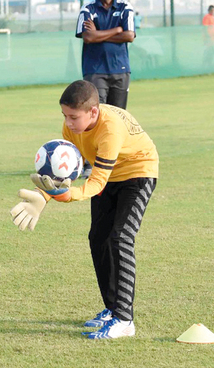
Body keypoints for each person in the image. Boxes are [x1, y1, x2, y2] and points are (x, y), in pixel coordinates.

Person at [10, 80, 158, 340]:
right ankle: (112, 309)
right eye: (65, 116)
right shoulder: (71, 128)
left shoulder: (110, 129)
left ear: (93, 111)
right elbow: (67, 171)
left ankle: (124, 320)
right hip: (110, 177)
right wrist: (44, 196)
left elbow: (96, 181)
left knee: (120, 238)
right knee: (98, 238)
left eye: (73, 117)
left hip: (138, 173)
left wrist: (67, 196)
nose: (68, 123)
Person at [75, 0, 136, 110]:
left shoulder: (124, 7)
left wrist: (97, 34)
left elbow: (129, 36)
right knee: (99, 112)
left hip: (120, 68)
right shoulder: (88, 9)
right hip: (95, 70)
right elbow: (88, 37)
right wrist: (116, 30)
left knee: (119, 115)